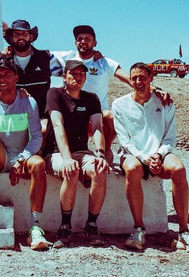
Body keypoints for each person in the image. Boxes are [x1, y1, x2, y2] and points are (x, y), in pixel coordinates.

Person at [112, 62, 189, 253]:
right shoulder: (119, 104)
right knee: (132, 169)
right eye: (134, 78)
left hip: (159, 154)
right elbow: (124, 140)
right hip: (133, 154)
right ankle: (138, 229)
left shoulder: (164, 103)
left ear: (151, 79)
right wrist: (146, 158)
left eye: (142, 78)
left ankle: (184, 231)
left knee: (178, 169)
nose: (138, 82)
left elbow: (170, 138)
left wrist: (158, 155)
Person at [0, 58, 51, 250]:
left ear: (16, 77)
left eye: (7, 74)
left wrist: (22, 159)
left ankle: (35, 226)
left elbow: (36, 138)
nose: (2, 78)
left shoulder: (27, 101)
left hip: (22, 156)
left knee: (39, 164)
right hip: (0, 156)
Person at [44, 59, 109, 247]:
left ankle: (91, 224)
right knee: (70, 171)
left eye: (81, 74)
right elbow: (57, 125)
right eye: (73, 74)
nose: (77, 77)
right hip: (57, 151)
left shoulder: (91, 98)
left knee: (99, 170)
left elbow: (97, 127)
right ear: (64, 77)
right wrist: (66, 158)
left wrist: (101, 154)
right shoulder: (54, 94)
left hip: (82, 151)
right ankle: (65, 226)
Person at [51, 25, 130, 152]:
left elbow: (129, 78)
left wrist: (154, 89)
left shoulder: (104, 62)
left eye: (87, 38)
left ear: (95, 42)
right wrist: (10, 49)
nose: (83, 41)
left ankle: (106, 150)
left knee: (111, 117)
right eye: (79, 38)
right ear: (75, 42)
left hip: (98, 113)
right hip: (73, 112)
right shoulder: (67, 58)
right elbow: (38, 57)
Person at [0, 19, 51, 130]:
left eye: (24, 34)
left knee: (43, 130)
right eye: (16, 34)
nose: (21, 37)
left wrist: (91, 55)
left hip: (40, 118)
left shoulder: (46, 57)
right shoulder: (1, 58)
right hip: (11, 118)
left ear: (31, 37)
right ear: (11, 38)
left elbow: (72, 61)